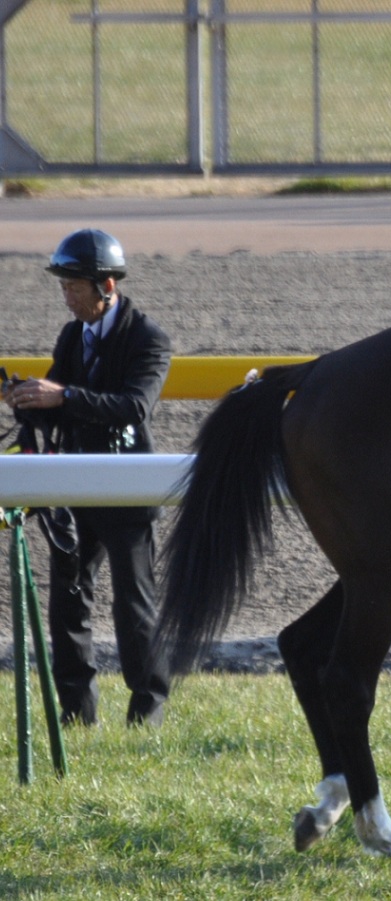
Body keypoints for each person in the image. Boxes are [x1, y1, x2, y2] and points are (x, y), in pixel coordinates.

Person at [4, 229, 172, 727]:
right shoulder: (72, 335)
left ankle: (148, 713)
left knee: (134, 606)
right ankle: (77, 712)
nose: (67, 297)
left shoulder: (149, 338)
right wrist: (27, 401)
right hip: (75, 485)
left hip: (127, 487)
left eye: (74, 287)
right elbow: (58, 403)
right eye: (64, 286)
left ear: (107, 286)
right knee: (68, 601)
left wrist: (64, 397)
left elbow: (134, 406)